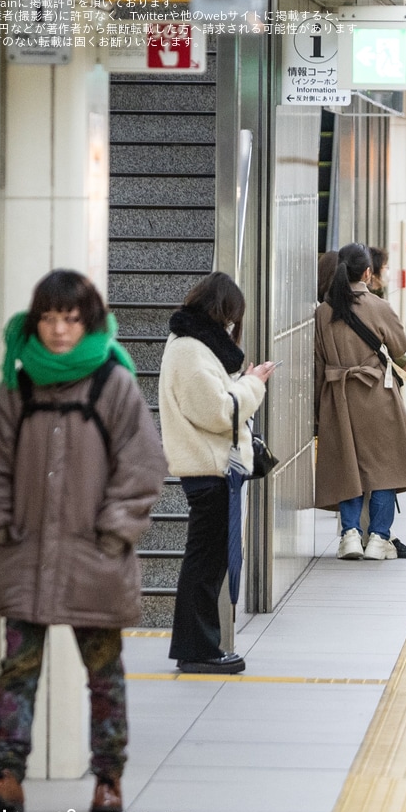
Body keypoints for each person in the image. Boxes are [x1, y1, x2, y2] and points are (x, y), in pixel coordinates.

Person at [0, 269, 167, 812]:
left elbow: (143, 465)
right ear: (36, 322)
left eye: (71, 319)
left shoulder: (114, 384)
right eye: (50, 318)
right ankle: (6, 775)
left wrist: (114, 530)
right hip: (25, 552)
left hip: (94, 555)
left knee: (103, 673)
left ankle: (108, 777)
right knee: (17, 669)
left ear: (90, 323)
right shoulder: (20, 385)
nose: (59, 330)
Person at [159, 272, 278, 674]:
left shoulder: (192, 346)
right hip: (208, 472)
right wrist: (253, 385)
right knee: (205, 565)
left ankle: (198, 646)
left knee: (206, 563)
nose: (232, 326)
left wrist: (243, 381)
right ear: (223, 312)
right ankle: (198, 649)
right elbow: (218, 411)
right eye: (231, 317)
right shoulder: (191, 351)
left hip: (212, 469)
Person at [314, 243, 406, 560]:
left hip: (337, 396)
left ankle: (350, 535)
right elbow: (399, 344)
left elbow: (318, 364)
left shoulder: (323, 312)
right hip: (375, 393)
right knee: (385, 469)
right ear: (367, 272)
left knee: (346, 467)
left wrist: (317, 409)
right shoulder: (378, 306)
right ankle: (378, 537)